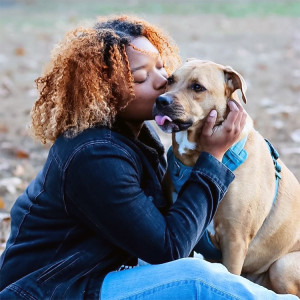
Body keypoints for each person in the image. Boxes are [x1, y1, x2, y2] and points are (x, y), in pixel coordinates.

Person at [0, 15, 297, 300]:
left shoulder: (135, 137)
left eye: (162, 68)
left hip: (93, 274)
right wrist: (214, 157)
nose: (163, 83)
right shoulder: (93, 155)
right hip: (53, 289)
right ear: (105, 92)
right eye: (142, 77)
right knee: (195, 278)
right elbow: (169, 249)